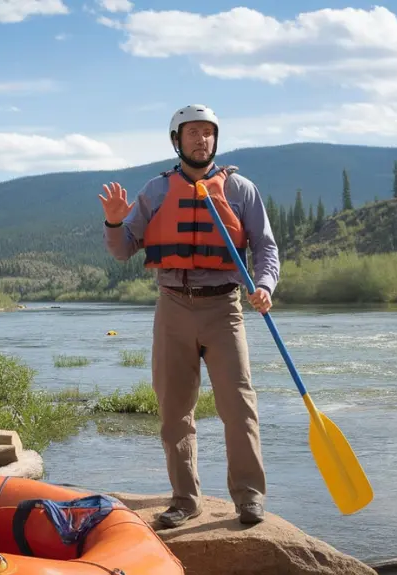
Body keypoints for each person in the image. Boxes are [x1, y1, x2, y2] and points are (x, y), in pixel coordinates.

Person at [99, 105, 280, 528]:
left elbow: (266, 247)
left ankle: (250, 498)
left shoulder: (240, 189)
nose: (202, 140)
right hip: (173, 305)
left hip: (224, 308)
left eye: (208, 133)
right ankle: (185, 500)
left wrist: (265, 285)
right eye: (193, 132)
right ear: (177, 140)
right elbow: (125, 248)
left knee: (238, 406)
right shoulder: (156, 192)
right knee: (174, 410)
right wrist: (112, 222)